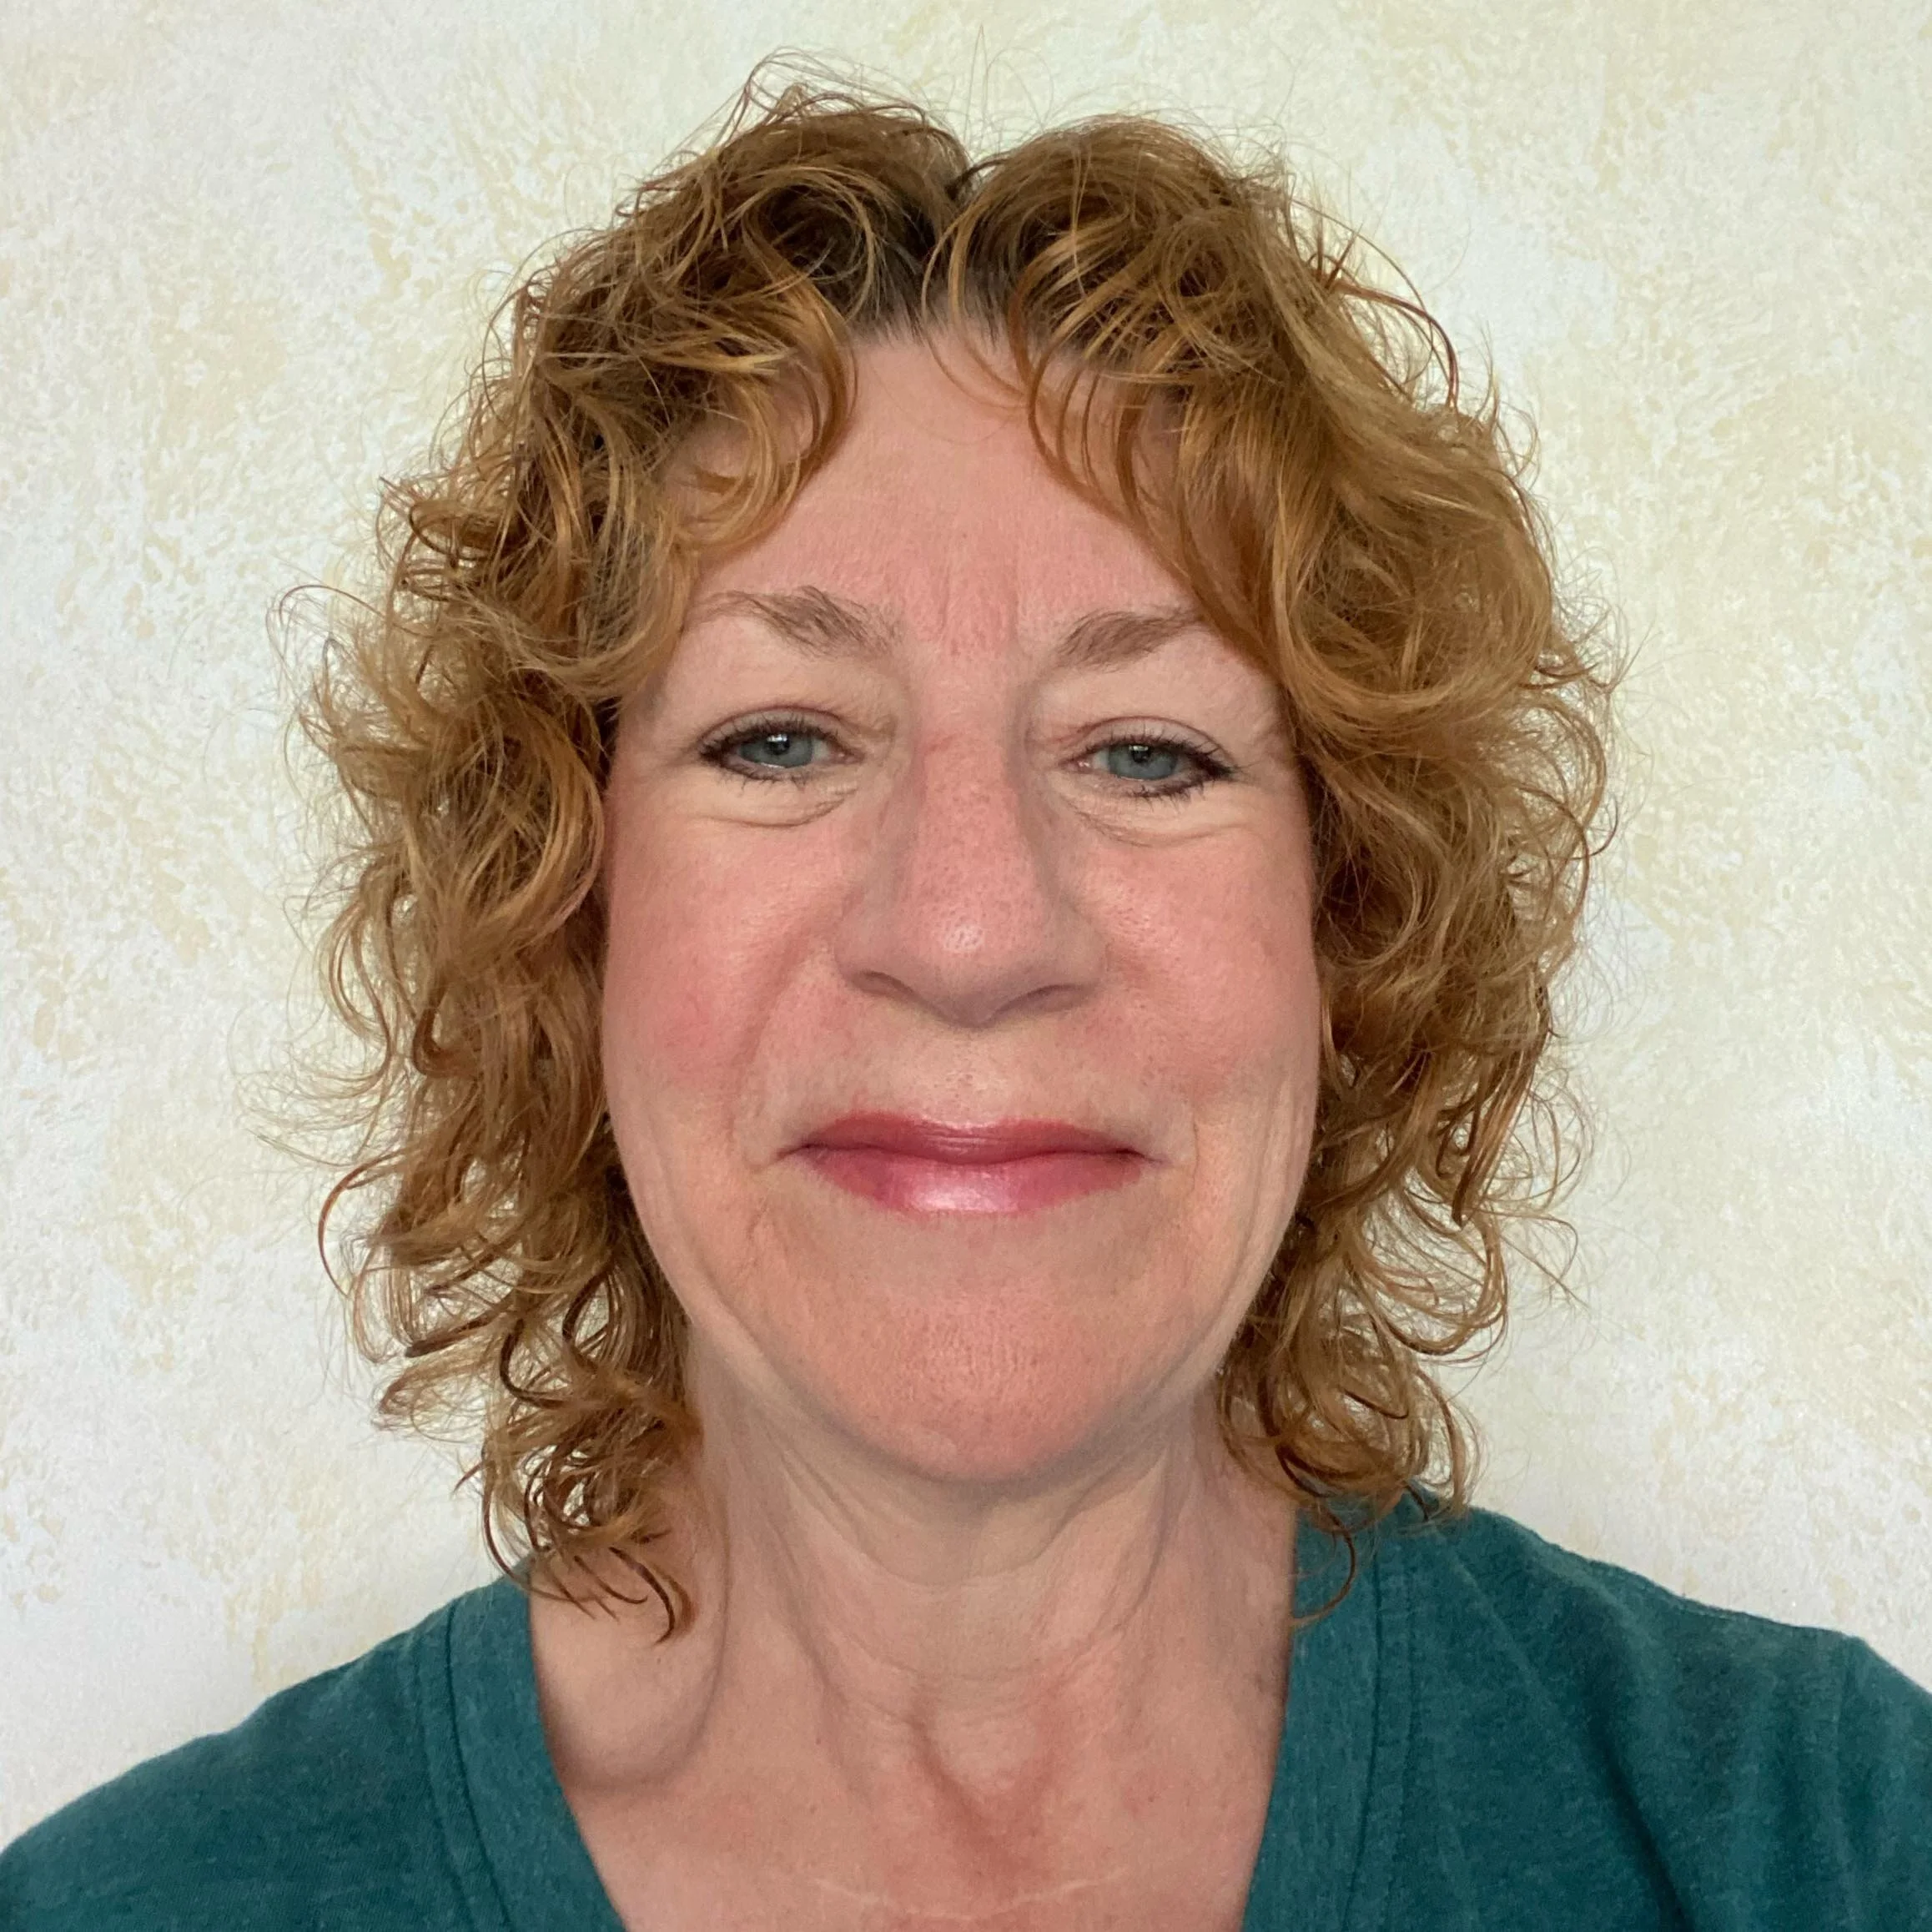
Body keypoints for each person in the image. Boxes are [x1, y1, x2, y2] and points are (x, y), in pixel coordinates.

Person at [3, 71, 1929, 1932]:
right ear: (564, 918)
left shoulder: (1825, 1851)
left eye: (1150, 754)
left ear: (1349, 926)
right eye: (780, 738)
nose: (972, 926)